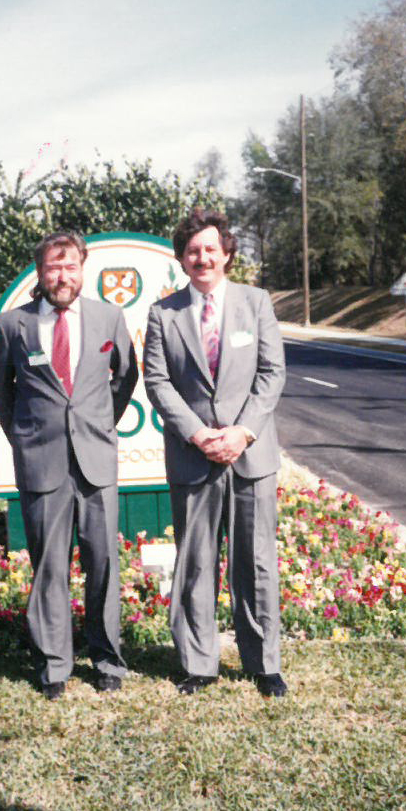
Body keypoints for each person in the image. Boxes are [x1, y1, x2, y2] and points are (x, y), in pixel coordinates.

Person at [0, 230, 138, 700]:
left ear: (82, 269)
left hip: (95, 462)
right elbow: (0, 391)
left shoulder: (108, 318)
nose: (61, 276)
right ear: (40, 272)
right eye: (53, 267)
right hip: (43, 464)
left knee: (104, 563)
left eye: (70, 266)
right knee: (49, 567)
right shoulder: (13, 325)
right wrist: (26, 439)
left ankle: (108, 659)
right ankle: (55, 665)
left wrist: (99, 425)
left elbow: (126, 377)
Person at [144, 208, 287, 698]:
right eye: (192, 251)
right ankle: (199, 664)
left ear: (226, 253)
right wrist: (198, 434)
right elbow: (157, 381)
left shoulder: (256, 302)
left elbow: (271, 374)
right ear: (182, 259)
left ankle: (264, 662)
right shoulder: (164, 314)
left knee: (256, 561)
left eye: (210, 249)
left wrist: (241, 432)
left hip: (251, 455)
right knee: (197, 562)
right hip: (194, 456)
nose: (202, 257)